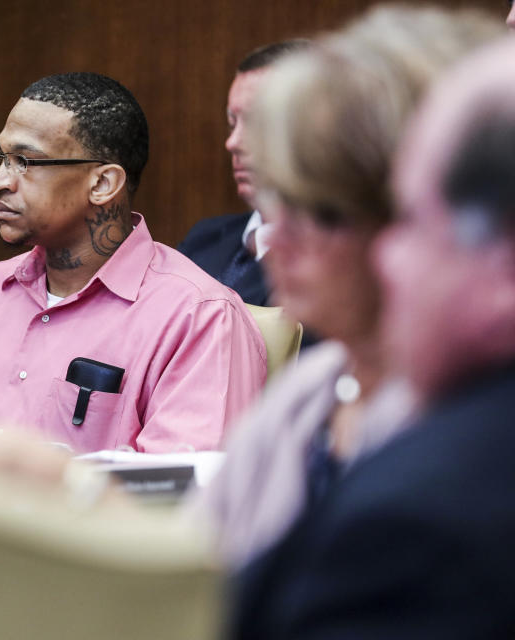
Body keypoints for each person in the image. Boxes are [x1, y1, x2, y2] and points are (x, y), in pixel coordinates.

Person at [191, 5, 504, 571]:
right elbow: (186, 570)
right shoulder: (312, 391)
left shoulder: (473, 443)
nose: (276, 238)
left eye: (323, 211)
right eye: (278, 200)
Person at [0, 72, 267, 452]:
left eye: (24, 162)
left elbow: (182, 500)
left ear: (102, 183)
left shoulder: (199, 318)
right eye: (0, 159)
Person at [177, 40, 308, 307]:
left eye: (258, 122)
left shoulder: (340, 261)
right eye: (232, 123)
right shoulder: (202, 240)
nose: (233, 143)